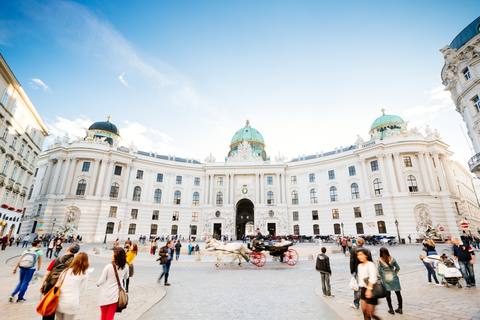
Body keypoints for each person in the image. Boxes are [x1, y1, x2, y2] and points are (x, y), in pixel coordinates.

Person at [54, 252, 89, 320]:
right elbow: (82, 289)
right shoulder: (84, 273)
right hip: (72, 302)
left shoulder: (66, 271)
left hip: (59, 301)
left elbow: (57, 285)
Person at [97, 247, 129, 320]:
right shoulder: (125, 266)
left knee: (103, 314)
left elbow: (101, 281)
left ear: (116, 255)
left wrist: (97, 284)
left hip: (105, 292)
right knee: (110, 315)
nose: (111, 254)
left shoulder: (108, 266)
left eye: (113, 253)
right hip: (116, 293)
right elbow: (126, 277)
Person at [357, 248, 380, 320]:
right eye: (358, 255)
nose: (359, 256)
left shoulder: (370, 264)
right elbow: (360, 279)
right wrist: (359, 290)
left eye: (361, 254)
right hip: (362, 289)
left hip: (371, 290)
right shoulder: (359, 265)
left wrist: (369, 290)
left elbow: (373, 278)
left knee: (370, 314)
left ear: (366, 255)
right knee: (364, 312)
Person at [378, 247, 403, 314]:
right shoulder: (392, 258)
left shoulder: (380, 260)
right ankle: (400, 308)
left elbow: (379, 270)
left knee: (388, 294)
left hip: (385, 277)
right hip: (393, 276)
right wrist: (395, 272)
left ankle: (391, 309)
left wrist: (381, 276)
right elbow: (398, 267)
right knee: (398, 293)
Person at [350, 238, 372, 310]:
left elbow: (352, 261)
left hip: (357, 270)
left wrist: (352, 271)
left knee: (357, 288)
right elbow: (370, 261)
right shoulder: (367, 250)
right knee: (365, 286)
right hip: (366, 270)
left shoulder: (353, 249)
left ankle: (356, 303)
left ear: (357, 242)